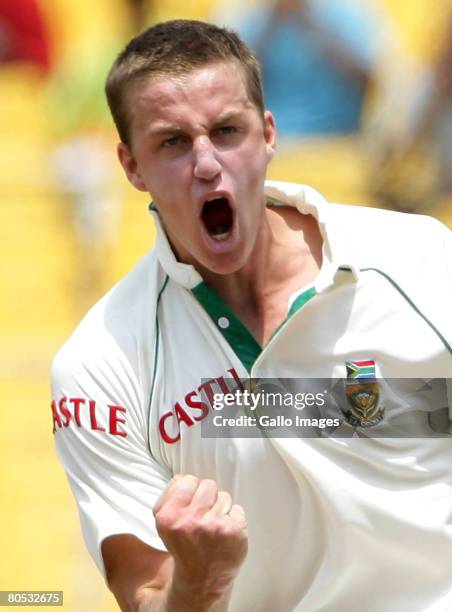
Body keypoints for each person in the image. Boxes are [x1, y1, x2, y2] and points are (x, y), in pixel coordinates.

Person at [51, 19, 452, 612]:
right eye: (172, 142)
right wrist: (198, 580)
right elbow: (147, 594)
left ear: (268, 133)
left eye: (227, 131)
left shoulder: (422, 260)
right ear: (131, 165)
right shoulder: (100, 365)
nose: (208, 164)